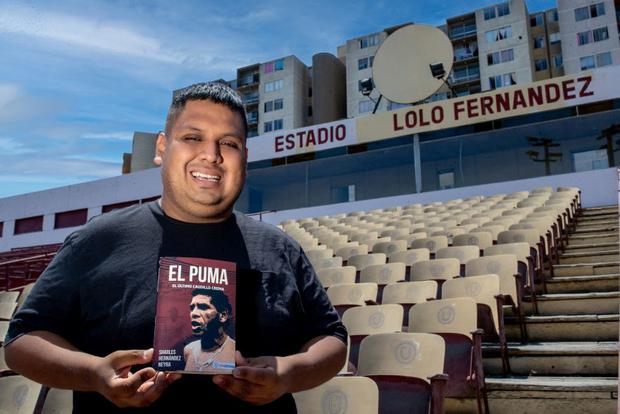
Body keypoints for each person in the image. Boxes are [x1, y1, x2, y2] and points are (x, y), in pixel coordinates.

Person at [4, 82, 347, 413]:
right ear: (161, 148)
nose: (211, 155)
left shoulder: (280, 248)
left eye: (228, 143)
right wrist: (93, 374)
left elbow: (331, 339)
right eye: (193, 137)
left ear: (244, 156)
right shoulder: (97, 239)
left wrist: (289, 374)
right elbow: (22, 341)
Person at [183, 289, 235, 372]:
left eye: (203, 307)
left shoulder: (234, 352)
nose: (194, 313)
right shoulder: (188, 350)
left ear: (223, 315)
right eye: (192, 308)